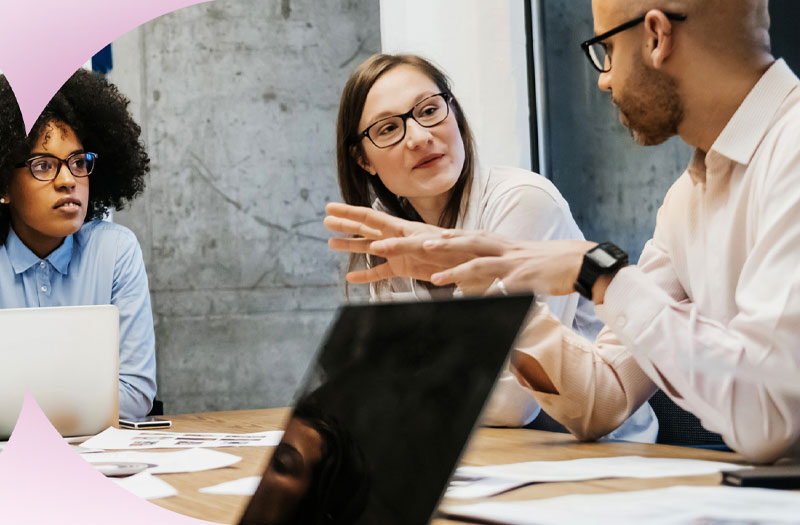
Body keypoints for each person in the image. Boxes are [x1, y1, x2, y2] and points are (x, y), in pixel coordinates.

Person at [325, 0, 800, 463]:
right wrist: (491, 281)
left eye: (606, 50)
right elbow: (603, 402)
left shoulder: (791, 152)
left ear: (656, 36)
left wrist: (596, 271)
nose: (603, 78)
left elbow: (769, 421)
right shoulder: (687, 200)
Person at [330, 53, 656, 440]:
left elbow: (515, 403)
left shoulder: (523, 201)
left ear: (454, 112)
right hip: (476, 452)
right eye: (387, 129)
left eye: (430, 109)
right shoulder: (384, 230)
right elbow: (380, 385)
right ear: (363, 159)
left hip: (592, 451)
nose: (419, 137)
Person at [0, 69, 156, 419]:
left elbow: (135, 392)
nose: (68, 180)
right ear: (4, 187)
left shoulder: (115, 252)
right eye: (43, 165)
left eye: (78, 162)